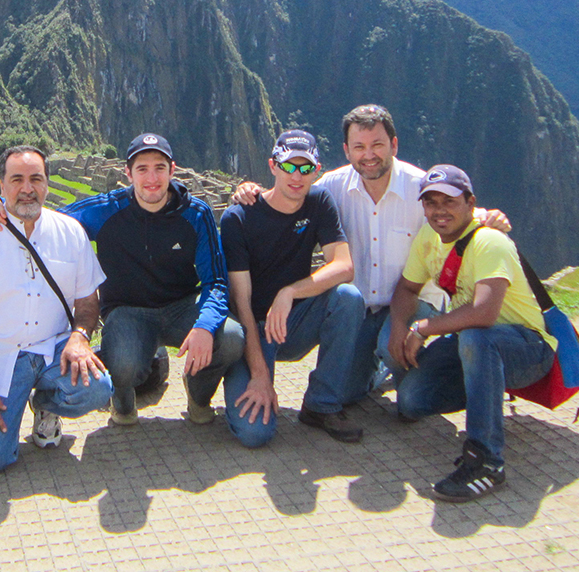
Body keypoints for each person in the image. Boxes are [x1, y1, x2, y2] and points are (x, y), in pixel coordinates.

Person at [233, 105, 510, 403]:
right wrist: (248, 190)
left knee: (409, 393)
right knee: (349, 393)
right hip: (362, 311)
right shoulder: (331, 188)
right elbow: (291, 190)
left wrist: (489, 217)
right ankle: (383, 371)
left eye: (377, 145)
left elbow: (457, 211)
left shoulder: (420, 188)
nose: (369, 155)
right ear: (347, 150)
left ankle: (431, 368)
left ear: (394, 144)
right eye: (359, 147)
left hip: (412, 305)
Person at [0, 134, 244, 426]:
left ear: (172, 170)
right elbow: (46, 219)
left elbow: (216, 282)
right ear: (128, 174)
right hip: (128, 311)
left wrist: (205, 327)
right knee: (124, 361)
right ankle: (122, 400)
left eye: (159, 167)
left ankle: (198, 394)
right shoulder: (106, 211)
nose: (152, 178)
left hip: (183, 307)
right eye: (142, 169)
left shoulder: (196, 214)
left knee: (231, 337)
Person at [389, 165, 555, 502]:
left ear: (470, 202)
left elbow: (483, 313)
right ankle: (486, 396)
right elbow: (407, 288)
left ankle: (487, 460)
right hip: (472, 344)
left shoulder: (490, 242)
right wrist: (398, 329)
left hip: (527, 348)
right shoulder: (429, 239)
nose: (439, 211)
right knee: (411, 401)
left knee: (478, 337)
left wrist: (423, 328)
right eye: (431, 202)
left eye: (449, 201)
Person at [0, 146, 113, 474]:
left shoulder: (70, 233)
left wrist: (80, 336)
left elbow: (88, 299)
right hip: (2, 357)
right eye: (17, 179)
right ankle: (5, 404)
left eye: (36, 179)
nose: (27, 188)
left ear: (47, 184)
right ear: (2, 185)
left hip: (55, 349)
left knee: (98, 389)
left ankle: (44, 404)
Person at [220, 130, 365, 448]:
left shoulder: (318, 202)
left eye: (305, 168)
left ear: (317, 171)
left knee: (347, 298)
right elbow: (241, 302)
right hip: (252, 330)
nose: (296, 177)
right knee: (255, 433)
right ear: (273, 166)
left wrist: (289, 293)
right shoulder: (239, 218)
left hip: (292, 322)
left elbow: (344, 266)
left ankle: (321, 404)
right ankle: (216, 382)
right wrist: (259, 374)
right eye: (288, 167)